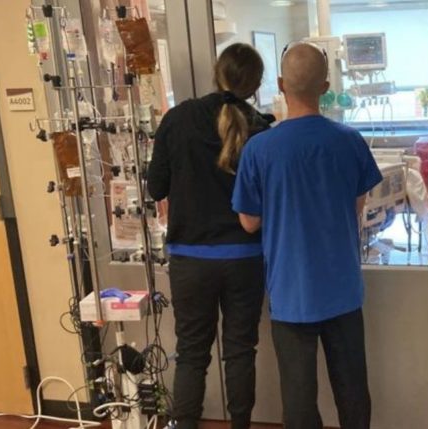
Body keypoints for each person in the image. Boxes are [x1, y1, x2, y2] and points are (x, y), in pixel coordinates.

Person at [232, 42, 382, 429]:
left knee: (298, 400)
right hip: (343, 289)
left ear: (280, 84)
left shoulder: (259, 149)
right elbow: (357, 204)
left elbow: (248, 221)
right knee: (352, 391)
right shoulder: (350, 141)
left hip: (291, 292)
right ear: (327, 85)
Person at [147, 43, 273, 429]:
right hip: (244, 259)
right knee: (240, 351)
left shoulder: (179, 118)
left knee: (191, 354)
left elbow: (155, 187)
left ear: (216, 73)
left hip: (190, 259)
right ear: (257, 84)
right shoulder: (262, 130)